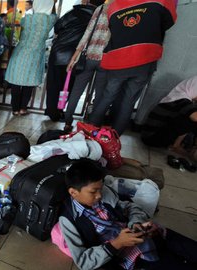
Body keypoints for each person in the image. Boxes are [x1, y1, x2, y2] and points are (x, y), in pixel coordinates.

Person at [59, 159, 197, 270]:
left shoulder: (105, 192)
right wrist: (116, 243)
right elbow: (83, 262)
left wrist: (136, 223)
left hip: (150, 235)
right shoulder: (68, 221)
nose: (99, 195)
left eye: (100, 189)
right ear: (73, 192)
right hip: (129, 256)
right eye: (93, 191)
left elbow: (130, 207)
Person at [88, 0, 177, 135]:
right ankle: (114, 137)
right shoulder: (161, 1)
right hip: (145, 57)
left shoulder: (114, 6)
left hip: (118, 58)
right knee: (129, 100)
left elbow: (114, 28)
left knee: (107, 96)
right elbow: (170, 21)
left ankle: (90, 130)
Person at [44, 0, 97, 122]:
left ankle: (52, 112)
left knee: (53, 84)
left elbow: (57, 27)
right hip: (77, 57)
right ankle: (60, 109)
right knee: (69, 86)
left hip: (59, 53)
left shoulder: (73, 13)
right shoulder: (97, 17)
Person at [64, 0, 111, 132]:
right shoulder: (121, 12)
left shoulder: (101, 9)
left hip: (88, 57)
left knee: (77, 91)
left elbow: (87, 33)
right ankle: (92, 125)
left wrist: (74, 58)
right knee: (100, 94)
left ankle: (68, 121)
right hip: (106, 59)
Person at [4, 0, 56, 116]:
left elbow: (22, 24)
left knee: (15, 83)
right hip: (35, 57)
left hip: (20, 53)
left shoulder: (27, 19)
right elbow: (54, 15)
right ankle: (23, 108)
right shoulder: (50, 20)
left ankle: (15, 109)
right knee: (29, 84)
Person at [141, 75, 197, 152]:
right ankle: (177, 146)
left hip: (151, 136)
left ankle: (176, 145)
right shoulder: (181, 99)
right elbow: (195, 118)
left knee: (189, 119)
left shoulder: (178, 95)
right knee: (192, 120)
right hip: (151, 138)